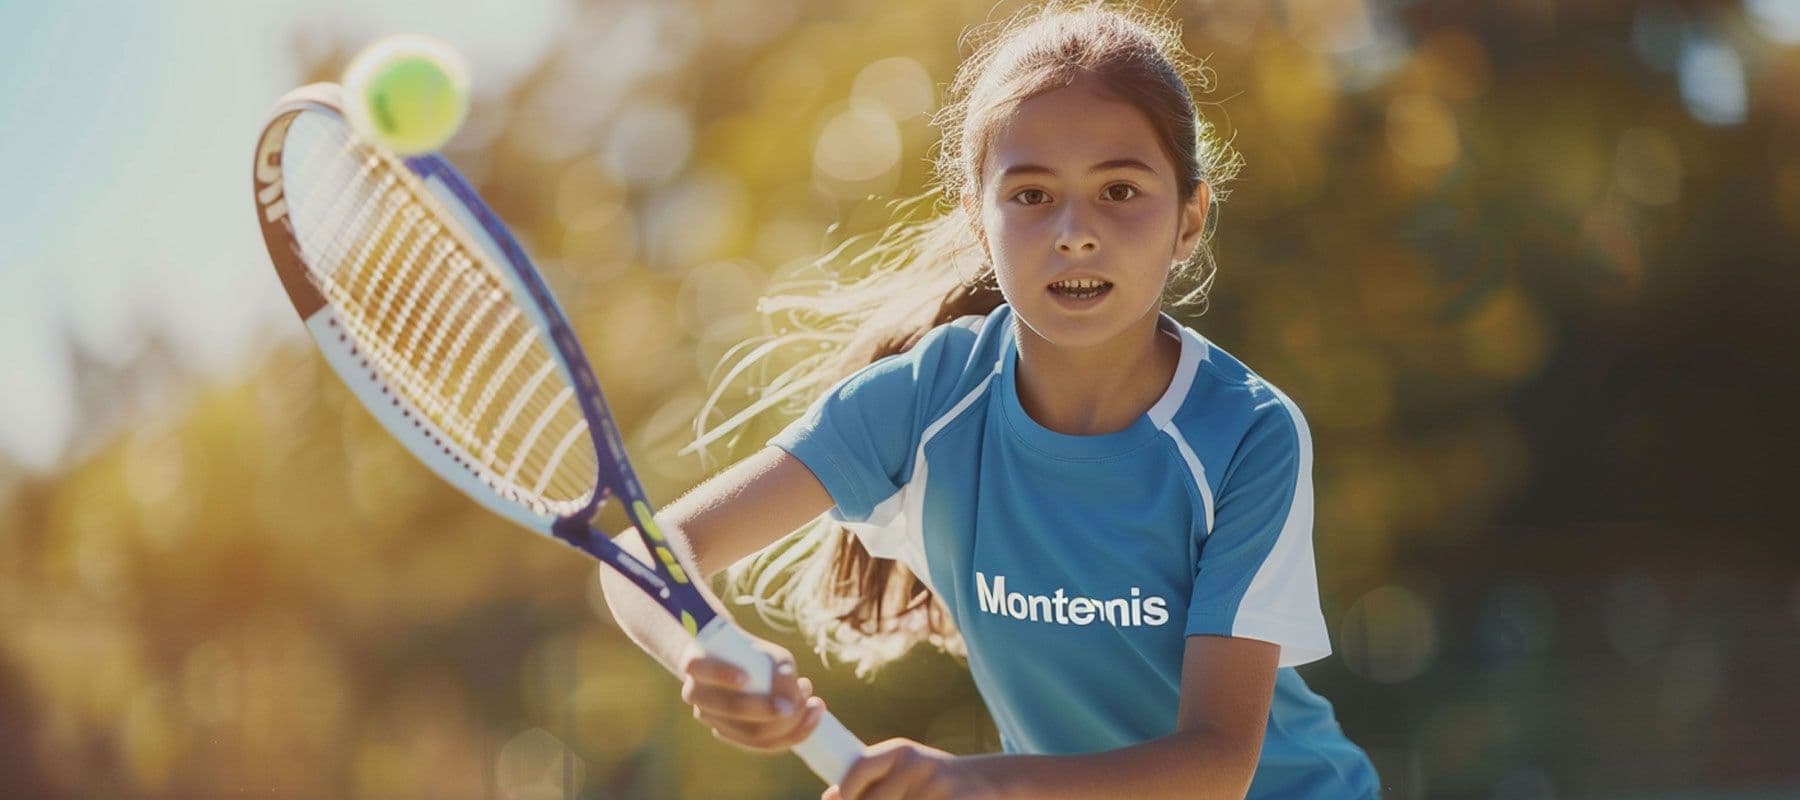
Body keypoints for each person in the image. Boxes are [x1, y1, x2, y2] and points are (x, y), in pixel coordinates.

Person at [600, 3, 1381, 798]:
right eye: (1032, 196)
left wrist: (983, 785)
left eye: (1119, 190)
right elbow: (645, 557)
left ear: (1189, 219)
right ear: (978, 221)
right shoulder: (923, 401)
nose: (1075, 231)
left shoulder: (1248, 432)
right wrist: (706, 652)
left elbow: (1217, 762)